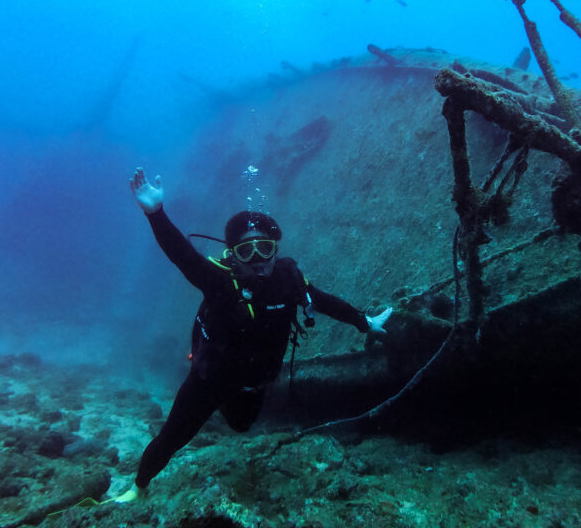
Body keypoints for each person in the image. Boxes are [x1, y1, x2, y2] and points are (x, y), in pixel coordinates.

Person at [112, 168, 391, 502]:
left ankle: (226, 409)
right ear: (233, 255)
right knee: (174, 435)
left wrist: (366, 322)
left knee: (241, 425)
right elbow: (181, 255)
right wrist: (155, 214)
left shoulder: (288, 280)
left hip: (254, 382)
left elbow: (326, 302)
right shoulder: (219, 282)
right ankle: (138, 487)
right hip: (209, 380)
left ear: (275, 249)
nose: (258, 259)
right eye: (246, 251)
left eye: (265, 248)